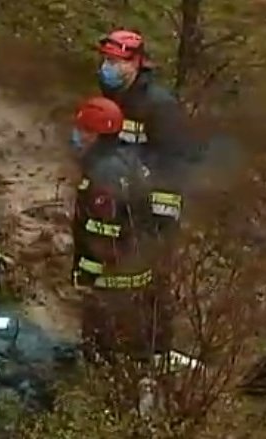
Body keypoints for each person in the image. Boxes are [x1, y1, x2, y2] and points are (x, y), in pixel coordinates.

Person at [69, 96, 168, 366]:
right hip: (135, 271)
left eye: (82, 130)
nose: (76, 135)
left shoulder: (102, 174)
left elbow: (103, 231)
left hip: (111, 278)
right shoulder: (128, 161)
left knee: (105, 350)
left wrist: (87, 273)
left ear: (95, 134)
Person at [95, 29, 194, 239]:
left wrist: (160, 224)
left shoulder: (159, 106)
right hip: (109, 206)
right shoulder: (108, 101)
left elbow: (173, 163)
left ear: (135, 63)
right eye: (106, 60)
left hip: (142, 211)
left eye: (114, 62)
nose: (106, 67)